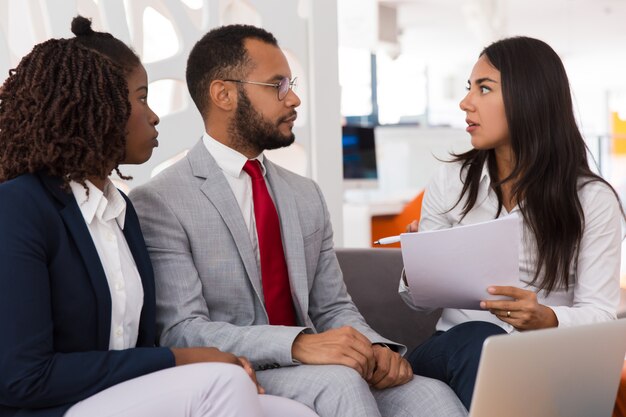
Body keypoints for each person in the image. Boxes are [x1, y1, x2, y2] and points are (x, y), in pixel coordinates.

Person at [129, 24, 467, 417]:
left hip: (319, 365)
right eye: (278, 85)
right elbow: (182, 329)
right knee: (341, 385)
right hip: (239, 371)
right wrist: (297, 345)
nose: (294, 98)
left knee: (431, 395)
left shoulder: (305, 194)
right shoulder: (160, 200)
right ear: (223, 94)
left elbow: (333, 307)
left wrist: (375, 348)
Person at [0, 16, 318, 417]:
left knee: (294, 412)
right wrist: (184, 360)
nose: (153, 116)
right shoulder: (19, 207)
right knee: (222, 382)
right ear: (99, 104)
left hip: (122, 396)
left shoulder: (121, 211)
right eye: (141, 97)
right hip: (52, 408)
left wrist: (195, 361)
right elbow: (22, 377)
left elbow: (137, 346)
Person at [399, 36, 624, 410]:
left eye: (483, 88)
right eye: (469, 88)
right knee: (481, 338)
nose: (465, 102)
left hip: (540, 358)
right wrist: (417, 267)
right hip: (452, 350)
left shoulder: (592, 199)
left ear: (529, 98)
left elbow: (600, 314)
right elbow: (418, 304)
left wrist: (546, 318)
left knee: (510, 360)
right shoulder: (449, 179)